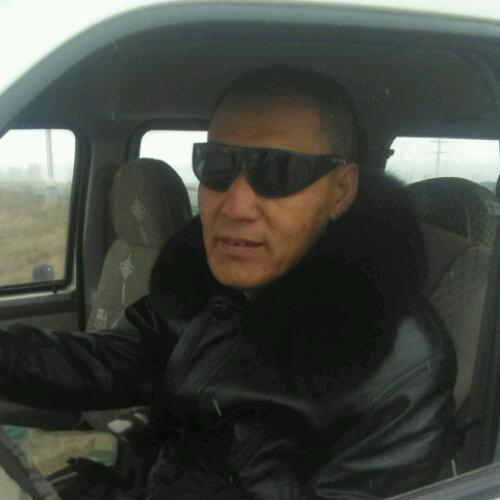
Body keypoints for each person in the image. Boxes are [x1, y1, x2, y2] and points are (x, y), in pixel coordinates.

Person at [0, 66, 456, 499]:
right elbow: (106, 362)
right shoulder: (202, 285)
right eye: (216, 165)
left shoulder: (400, 365)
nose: (235, 206)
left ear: (341, 191)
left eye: (279, 172)